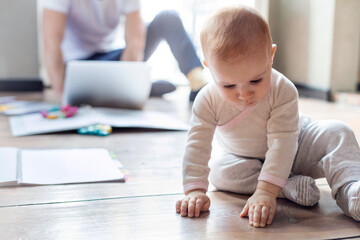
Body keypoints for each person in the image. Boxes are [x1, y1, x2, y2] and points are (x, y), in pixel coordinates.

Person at [175, 6, 360, 228]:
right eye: (229, 85)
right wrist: (195, 190)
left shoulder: (283, 89)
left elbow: (283, 141)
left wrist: (264, 192)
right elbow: (197, 144)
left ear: (270, 56)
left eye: (255, 81)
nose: (244, 95)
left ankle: (350, 190)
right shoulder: (207, 100)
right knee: (219, 171)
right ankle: (287, 186)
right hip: (246, 159)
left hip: (297, 144)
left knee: (337, 131)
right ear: (209, 68)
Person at [41, 0, 208, 102]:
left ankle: (198, 84)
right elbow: (51, 43)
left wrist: (128, 87)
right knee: (86, 83)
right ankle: (142, 88)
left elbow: (135, 42)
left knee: (168, 18)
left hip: (113, 58)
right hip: (78, 65)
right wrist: (63, 95)